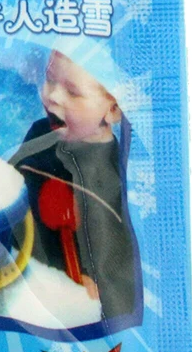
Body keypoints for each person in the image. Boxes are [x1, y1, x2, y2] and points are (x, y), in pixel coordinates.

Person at [10, 49, 143, 328]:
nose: (53, 96)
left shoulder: (109, 179)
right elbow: (6, 183)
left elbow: (118, 261)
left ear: (113, 110)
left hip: (66, 300)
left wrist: (94, 289)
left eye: (73, 92)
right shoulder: (39, 133)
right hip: (18, 270)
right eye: (50, 80)